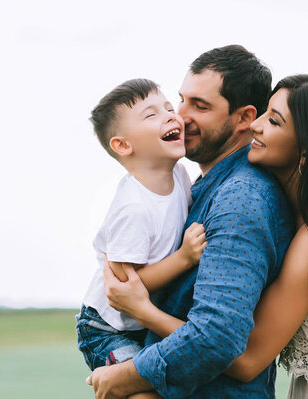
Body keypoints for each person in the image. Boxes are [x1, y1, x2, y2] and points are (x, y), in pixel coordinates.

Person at [104, 75, 308, 398]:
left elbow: (246, 359)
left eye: (274, 121)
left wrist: (143, 311)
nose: (256, 125)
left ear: (306, 152)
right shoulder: (300, 217)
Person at [88, 45, 294, 398]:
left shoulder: (239, 200)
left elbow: (217, 336)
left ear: (245, 118)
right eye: (180, 101)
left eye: (200, 106)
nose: (180, 117)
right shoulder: (194, 185)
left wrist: (130, 375)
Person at [76, 78, 207, 375]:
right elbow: (124, 288)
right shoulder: (133, 208)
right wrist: (184, 258)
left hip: (143, 318)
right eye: (152, 115)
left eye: (169, 107)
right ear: (123, 145)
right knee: (138, 382)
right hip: (108, 327)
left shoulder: (181, 176)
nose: (171, 115)